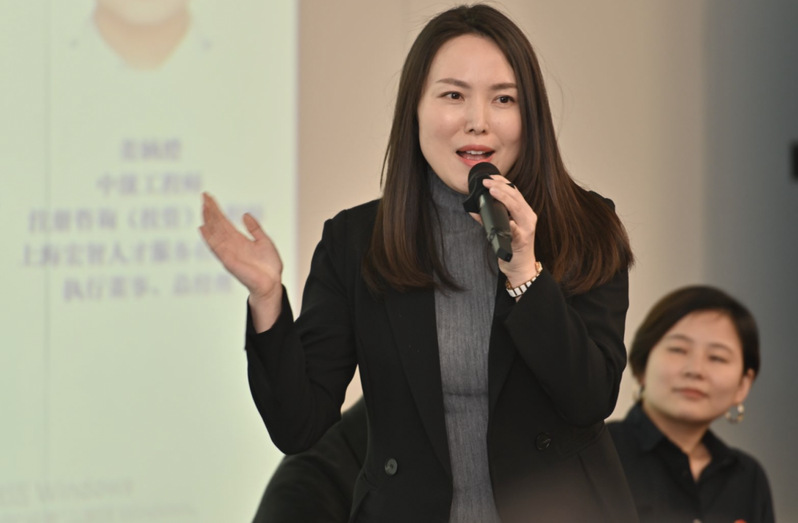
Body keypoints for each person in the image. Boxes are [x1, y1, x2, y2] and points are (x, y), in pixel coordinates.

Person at [201, 4, 637, 522]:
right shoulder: (358, 241)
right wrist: (268, 299)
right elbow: (299, 426)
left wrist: (525, 273)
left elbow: (590, 399)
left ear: (531, 117)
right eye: (453, 95)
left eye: (503, 99)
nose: (478, 122)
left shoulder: (585, 224)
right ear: (415, 109)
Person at [608, 286, 775, 523]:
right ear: (642, 365)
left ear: (743, 385)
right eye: (678, 350)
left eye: (717, 357)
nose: (695, 370)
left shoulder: (748, 477)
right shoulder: (599, 455)